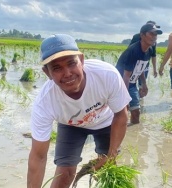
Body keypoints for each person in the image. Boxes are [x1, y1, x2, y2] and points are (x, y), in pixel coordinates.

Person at [27, 34, 131, 188]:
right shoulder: (45, 102)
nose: (67, 73)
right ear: (47, 73)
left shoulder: (106, 74)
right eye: (57, 68)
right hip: (71, 125)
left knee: (109, 167)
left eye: (71, 63)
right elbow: (38, 156)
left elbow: (121, 114)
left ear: (81, 61)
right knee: (65, 173)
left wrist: (111, 153)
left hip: (106, 121)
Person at [116, 23, 162, 124]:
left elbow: (140, 68)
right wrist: (125, 97)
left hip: (131, 84)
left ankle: (134, 134)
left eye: (156, 35)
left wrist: (144, 84)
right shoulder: (133, 51)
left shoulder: (149, 50)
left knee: (136, 113)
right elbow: (126, 76)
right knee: (120, 113)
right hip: (119, 84)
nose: (154, 37)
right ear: (142, 35)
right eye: (151, 34)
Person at [129, 21, 162, 92]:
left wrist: (154, 69)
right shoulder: (136, 37)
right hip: (133, 65)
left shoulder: (153, 42)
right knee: (131, 83)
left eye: (155, 33)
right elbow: (130, 51)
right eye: (152, 32)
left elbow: (153, 55)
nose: (154, 36)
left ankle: (140, 100)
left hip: (144, 65)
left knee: (142, 85)